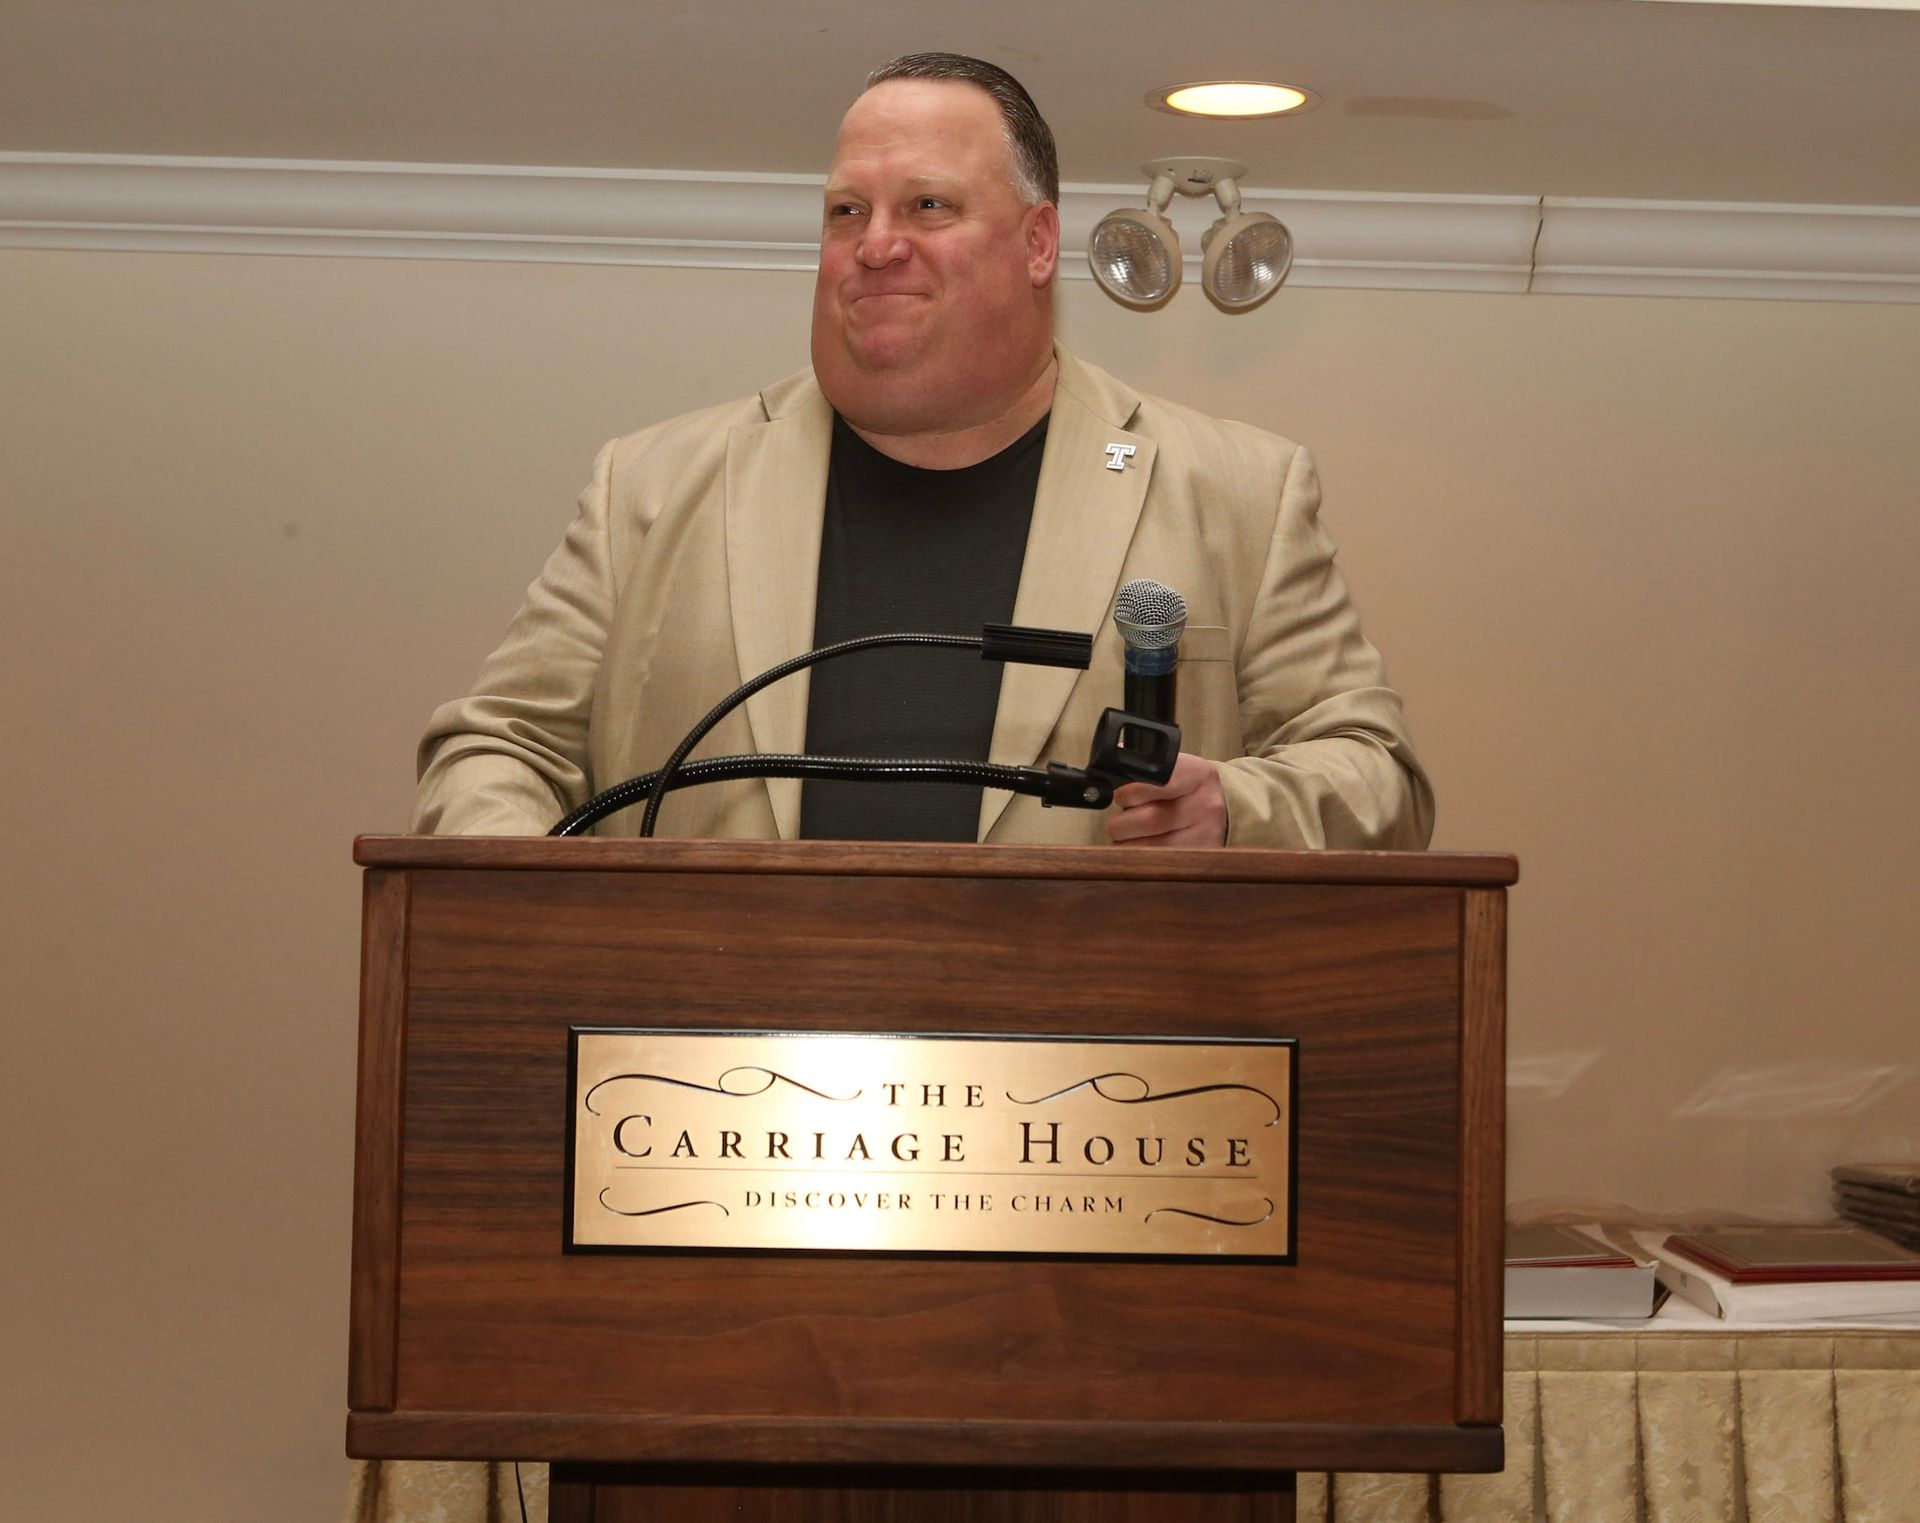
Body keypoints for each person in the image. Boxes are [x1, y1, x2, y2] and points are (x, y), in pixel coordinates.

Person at [412, 53, 1433, 851]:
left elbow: (1378, 776)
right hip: (715, 1090)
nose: (876, 243)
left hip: (1095, 1087)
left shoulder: (1238, 489)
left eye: (927, 206)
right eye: (846, 211)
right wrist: (539, 906)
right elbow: (497, 746)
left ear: (1039, 243)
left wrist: (1231, 807)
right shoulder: (651, 486)